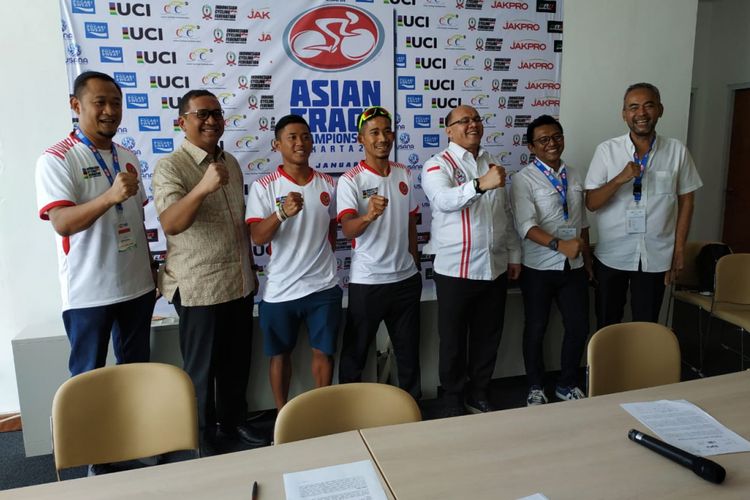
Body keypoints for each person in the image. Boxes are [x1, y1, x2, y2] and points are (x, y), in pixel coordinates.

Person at [152, 90, 265, 454]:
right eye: (202, 114)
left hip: (238, 282)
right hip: (199, 286)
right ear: (182, 121)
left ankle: (234, 424)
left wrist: (249, 267)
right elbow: (170, 223)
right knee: (201, 373)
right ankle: (201, 438)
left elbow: (237, 225)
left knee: (236, 366)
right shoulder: (171, 166)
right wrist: (203, 186)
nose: (211, 120)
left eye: (216, 113)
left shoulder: (230, 161)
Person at [35, 71, 155, 378]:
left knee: (137, 374)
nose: (110, 111)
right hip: (90, 292)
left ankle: (133, 429)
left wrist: (151, 265)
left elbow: (136, 217)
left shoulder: (126, 155)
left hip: (137, 286)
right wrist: (110, 196)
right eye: (99, 102)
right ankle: (90, 430)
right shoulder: (57, 158)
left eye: (116, 103)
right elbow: (61, 222)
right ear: (76, 105)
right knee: (88, 379)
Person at [422, 104, 521, 416]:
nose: (472, 124)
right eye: (463, 121)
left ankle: (479, 392)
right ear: (449, 130)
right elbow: (444, 200)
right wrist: (479, 184)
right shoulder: (437, 164)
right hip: (455, 270)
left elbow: (504, 214)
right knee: (452, 341)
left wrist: (513, 254)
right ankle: (452, 398)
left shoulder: (491, 162)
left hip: (494, 266)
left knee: (488, 336)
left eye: (476, 118)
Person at [585, 83, 703, 328]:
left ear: (660, 109)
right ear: (624, 114)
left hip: (656, 255)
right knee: (607, 324)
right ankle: (606, 368)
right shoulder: (607, 151)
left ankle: (641, 368)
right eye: (633, 107)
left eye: (649, 105)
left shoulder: (677, 151)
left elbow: (687, 200)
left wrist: (679, 249)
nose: (641, 113)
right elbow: (591, 203)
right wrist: (619, 179)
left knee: (647, 326)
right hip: (612, 255)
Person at [246, 115, 341, 410]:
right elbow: (258, 237)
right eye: (292, 137)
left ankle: (320, 413)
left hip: (323, 287)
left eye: (306, 136)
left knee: (324, 354)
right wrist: (282, 213)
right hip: (281, 289)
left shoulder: (328, 183)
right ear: (277, 144)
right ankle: (281, 417)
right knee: (279, 355)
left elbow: (332, 230)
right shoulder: (264, 186)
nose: (300, 143)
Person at [336, 106, 422, 400]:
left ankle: (413, 410)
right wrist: (368, 216)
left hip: (406, 281)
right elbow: (348, 230)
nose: (382, 138)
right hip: (369, 281)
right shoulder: (351, 180)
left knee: (409, 354)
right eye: (374, 132)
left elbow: (411, 221)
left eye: (387, 131)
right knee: (354, 355)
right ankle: (347, 413)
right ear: (361, 138)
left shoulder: (404, 173)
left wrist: (414, 260)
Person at [510, 115, 591, 406]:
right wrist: (560, 245)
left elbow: (581, 222)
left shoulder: (576, 173)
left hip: (575, 266)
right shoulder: (522, 180)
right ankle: (535, 386)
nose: (552, 143)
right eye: (543, 139)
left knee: (578, 325)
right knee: (536, 328)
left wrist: (587, 259)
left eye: (556, 136)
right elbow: (526, 226)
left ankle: (567, 383)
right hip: (539, 268)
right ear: (532, 147)